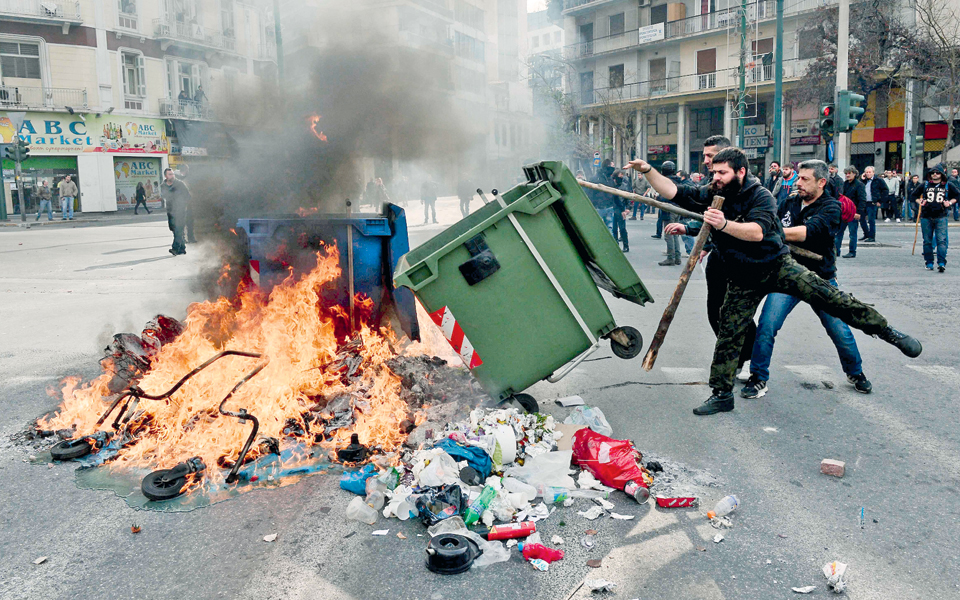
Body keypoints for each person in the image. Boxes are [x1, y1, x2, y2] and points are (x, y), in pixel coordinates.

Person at [626, 147, 921, 416]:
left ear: (740, 172)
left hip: (776, 266)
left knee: (832, 299)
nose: (715, 177)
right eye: (714, 172)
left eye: (722, 172)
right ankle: (722, 394)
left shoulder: (761, 196)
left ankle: (887, 332)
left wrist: (724, 225)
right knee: (729, 331)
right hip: (742, 276)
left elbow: (757, 232)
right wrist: (647, 171)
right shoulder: (714, 191)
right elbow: (675, 191)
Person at [741, 160, 873, 399]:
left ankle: (856, 372)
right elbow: (770, 222)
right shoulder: (789, 202)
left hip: (820, 279)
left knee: (839, 330)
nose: (798, 183)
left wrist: (770, 234)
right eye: (798, 178)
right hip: (787, 276)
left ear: (822, 182)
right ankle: (758, 377)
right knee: (767, 326)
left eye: (805, 179)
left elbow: (805, 233)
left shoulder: (831, 207)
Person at [910, 164, 959, 272]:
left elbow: (957, 195)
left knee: (941, 240)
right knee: (927, 241)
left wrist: (949, 202)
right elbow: (913, 196)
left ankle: (941, 262)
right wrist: (920, 202)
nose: (935, 174)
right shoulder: (925, 185)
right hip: (926, 216)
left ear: (941, 174)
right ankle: (929, 262)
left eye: (937, 172)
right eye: (932, 173)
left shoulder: (947, 185)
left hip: (941, 216)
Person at [656, 161, 683, 265]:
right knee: (675, 234)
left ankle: (671, 258)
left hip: (668, 209)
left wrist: (658, 197)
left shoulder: (666, 182)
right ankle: (677, 257)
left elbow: (665, 197)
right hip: (677, 209)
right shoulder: (678, 181)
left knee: (669, 235)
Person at [837, 166, 866, 258]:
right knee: (839, 232)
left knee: (852, 233)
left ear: (854, 174)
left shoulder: (859, 185)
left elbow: (862, 199)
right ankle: (836, 250)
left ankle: (852, 251)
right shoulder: (845, 184)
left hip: (853, 213)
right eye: (846, 173)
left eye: (849, 173)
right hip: (844, 212)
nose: (847, 175)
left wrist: (859, 212)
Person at [161, 168, 189, 256]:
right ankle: (182, 248)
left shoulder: (180, 184)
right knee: (173, 228)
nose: (172, 176)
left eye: (173, 174)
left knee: (178, 229)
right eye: (170, 174)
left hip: (180, 210)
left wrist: (182, 204)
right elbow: (164, 196)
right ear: (166, 176)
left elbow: (188, 196)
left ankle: (175, 248)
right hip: (170, 210)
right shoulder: (163, 185)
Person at [589, 159, 620, 237]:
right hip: (598, 208)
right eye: (612, 166)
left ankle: (610, 247)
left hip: (609, 207)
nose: (614, 168)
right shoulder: (596, 178)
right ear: (608, 166)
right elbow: (590, 194)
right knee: (597, 229)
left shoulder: (610, 179)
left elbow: (615, 194)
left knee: (610, 228)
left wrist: (621, 208)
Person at [859, 166, 887, 242]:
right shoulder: (863, 181)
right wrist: (862, 179)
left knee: (871, 220)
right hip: (863, 202)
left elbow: (885, 191)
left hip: (872, 202)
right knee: (861, 219)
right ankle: (866, 234)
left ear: (873, 173)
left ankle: (872, 236)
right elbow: (858, 187)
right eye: (867, 172)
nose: (868, 174)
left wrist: (880, 201)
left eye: (870, 172)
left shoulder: (878, 180)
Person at [611, 169, 629, 252]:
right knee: (614, 229)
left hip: (620, 208)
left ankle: (626, 245)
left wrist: (627, 208)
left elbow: (627, 198)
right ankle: (615, 245)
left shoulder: (624, 186)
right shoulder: (612, 184)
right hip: (613, 208)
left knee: (622, 228)